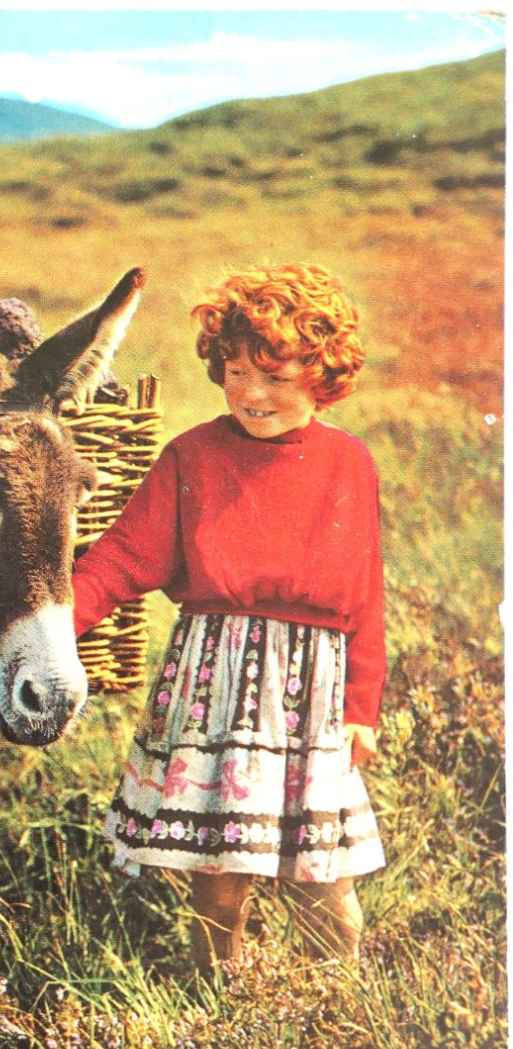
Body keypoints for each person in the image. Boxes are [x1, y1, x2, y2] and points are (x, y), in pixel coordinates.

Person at [73, 263, 386, 972]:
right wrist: (52, 622)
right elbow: (121, 558)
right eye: (236, 371)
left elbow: (366, 596)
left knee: (323, 883)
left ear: (321, 375)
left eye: (275, 377)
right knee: (218, 881)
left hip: (312, 697)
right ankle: (217, 994)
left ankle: (329, 1000)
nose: (250, 392)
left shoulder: (347, 463)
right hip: (215, 686)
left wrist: (362, 706)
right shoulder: (192, 454)